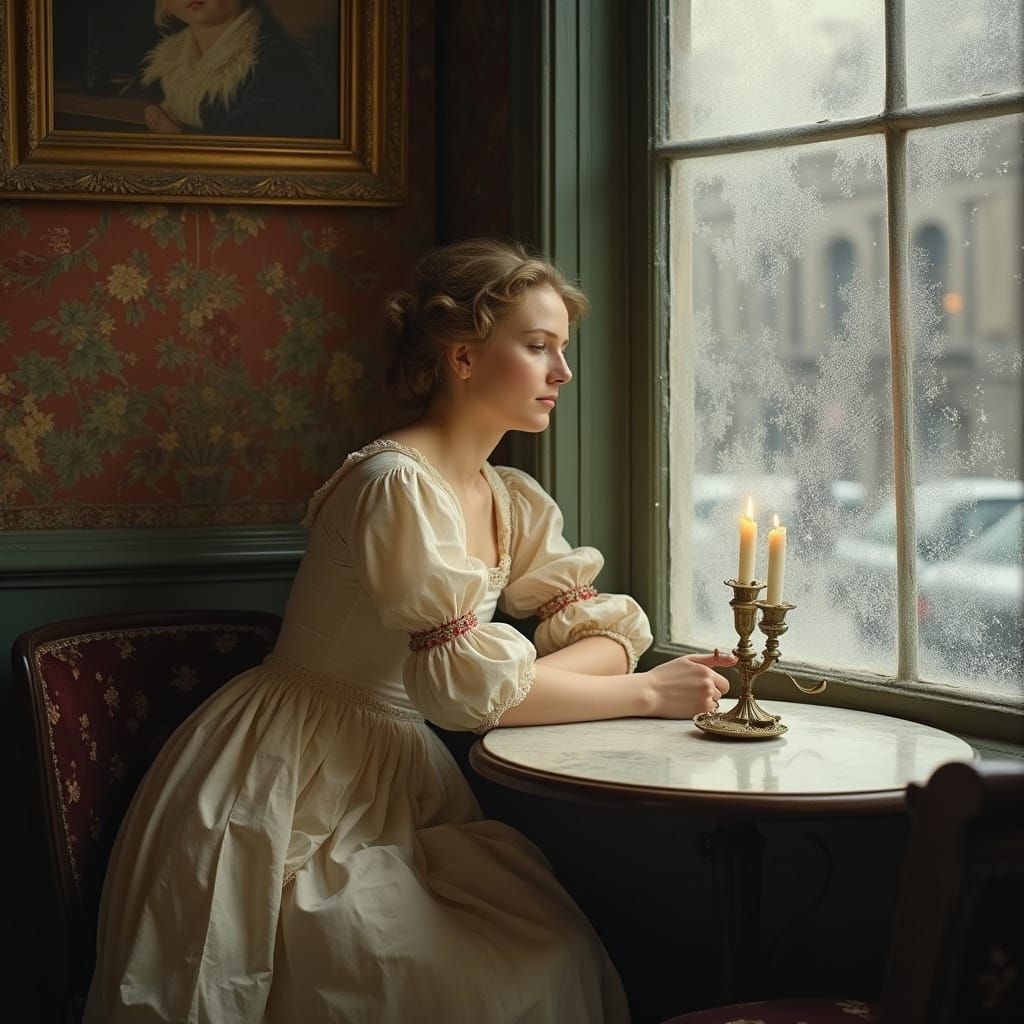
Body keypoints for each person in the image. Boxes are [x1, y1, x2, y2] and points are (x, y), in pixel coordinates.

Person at [85, 239, 735, 1023]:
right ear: (463, 358)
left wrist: (545, 684)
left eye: (562, 349)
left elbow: (597, 643)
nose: (563, 372)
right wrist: (644, 695)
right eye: (538, 347)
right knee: (422, 983)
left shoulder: (511, 498)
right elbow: (474, 697)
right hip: (294, 772)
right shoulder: (393, 483)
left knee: (550, 952)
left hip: (398, 772)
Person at [140, 0, 335, 138]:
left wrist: (182, 139)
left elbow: (261, 133)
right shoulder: (170, 61)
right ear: (165, 6)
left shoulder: (270, 56)